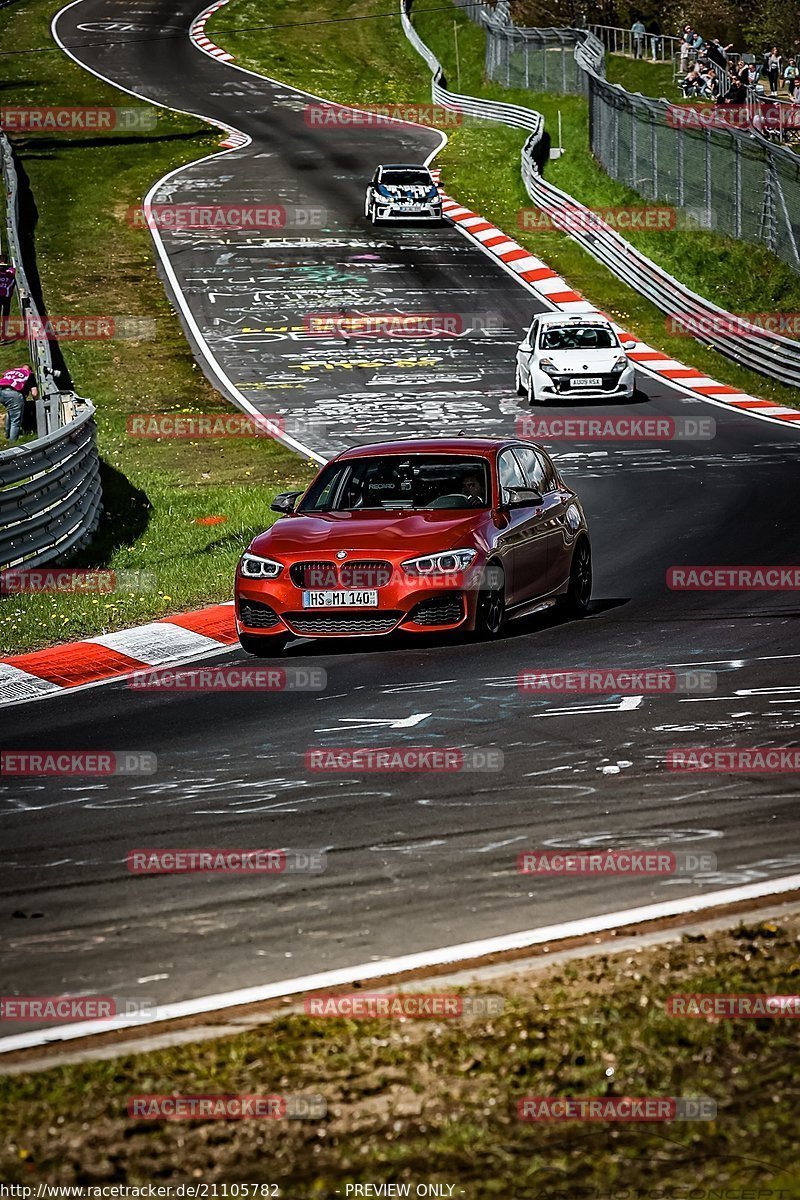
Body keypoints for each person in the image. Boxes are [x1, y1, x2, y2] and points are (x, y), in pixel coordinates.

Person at [0, 364, 37, 442]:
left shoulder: (13, 371)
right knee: (15, 421)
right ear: (30, 370)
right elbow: (34, 394)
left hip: (1, 390)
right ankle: (12, 444)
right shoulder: (29, 375)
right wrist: (37, 402)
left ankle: (7, 434)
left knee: (10, 411)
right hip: (14, 394)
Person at [0, 258, 16, 339]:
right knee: (5, 315)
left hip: (6, 296)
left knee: (5, 316)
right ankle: (4, 334)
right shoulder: (11, 272)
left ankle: (4, 334)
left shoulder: (10, 272)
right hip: (6, 296)